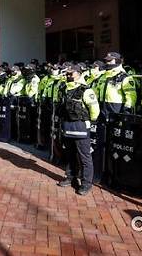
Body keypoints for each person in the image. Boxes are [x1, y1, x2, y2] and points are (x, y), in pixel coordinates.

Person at [57, 65, 100, 195]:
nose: (68, 76)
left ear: (79, 73)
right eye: (67, 74)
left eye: (71, 73)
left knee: (84, 157)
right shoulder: (64, 89)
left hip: (81, 127)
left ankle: (86, 183)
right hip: (68, 126)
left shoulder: (86, 90)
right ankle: (70, 177)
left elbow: (95, 110)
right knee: (70, 155)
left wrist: (88, 122)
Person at [94, 52, 137, 117]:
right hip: (102, 109)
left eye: (110, 60)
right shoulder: (102, 76)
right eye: (106, 60)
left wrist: (127, 110)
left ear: (117, 61)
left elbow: (131, 95)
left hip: (117, 109)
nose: (107, 62)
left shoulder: (124, 77)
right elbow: (96, 92)